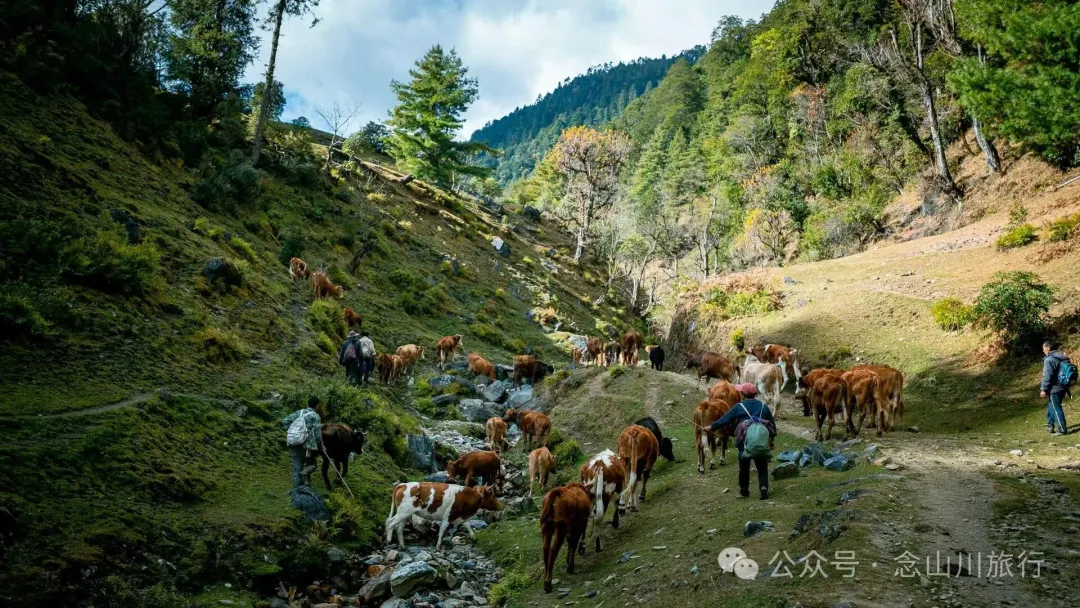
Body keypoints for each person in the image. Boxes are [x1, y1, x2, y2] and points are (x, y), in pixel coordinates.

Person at [708, 383, 777, 500]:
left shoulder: (739, 407)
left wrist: (711, 427)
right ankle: (763, 487)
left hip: (744, 443)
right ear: (755, 394)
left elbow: (725, 420)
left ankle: (744, 491)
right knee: (762, 464)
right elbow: (772, 426)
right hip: (760, 441)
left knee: (744, 466)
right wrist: (770, 439)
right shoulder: (763, 406)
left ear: (743, 394)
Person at [282, 396, 325, 486]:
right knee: (312, 465)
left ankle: (297, 490)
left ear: (307, 404)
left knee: (297, 468)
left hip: (295, 443)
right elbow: (318, 435)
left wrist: (293, 431)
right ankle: (305, 474)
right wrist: (321, 447)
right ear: (317, 406)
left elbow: (285, 421)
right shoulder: (315, 416)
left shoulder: (299, 412)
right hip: (308, 447)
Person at [1040, 340, 1070, 436]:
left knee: (1056, 408)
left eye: (1044, 348)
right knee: (1051, 405)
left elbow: (1047, 376)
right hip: (1063, 386)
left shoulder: (1049, 360)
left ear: (1048, 348)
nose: (1043, 350)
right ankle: (1050, 425)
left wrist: (1043, 389)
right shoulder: (1062, 357)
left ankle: (1062, 429)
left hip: (1055, 387)